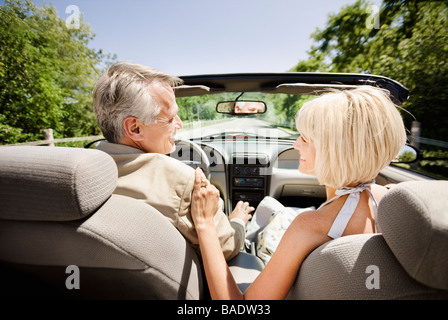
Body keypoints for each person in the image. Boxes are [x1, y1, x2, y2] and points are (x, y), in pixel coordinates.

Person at [191, 86, 407, 299]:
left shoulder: (309, 226)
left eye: (304, 139)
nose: (295, 145)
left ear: (333, 152)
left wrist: (205, 221)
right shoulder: (393, 198)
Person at [92, 61, 253, 261]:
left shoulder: (83, 175)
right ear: (135, 128)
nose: (180, 123)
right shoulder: (184, 182)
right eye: (170, 119)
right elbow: (226, 247)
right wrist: (237, 221)